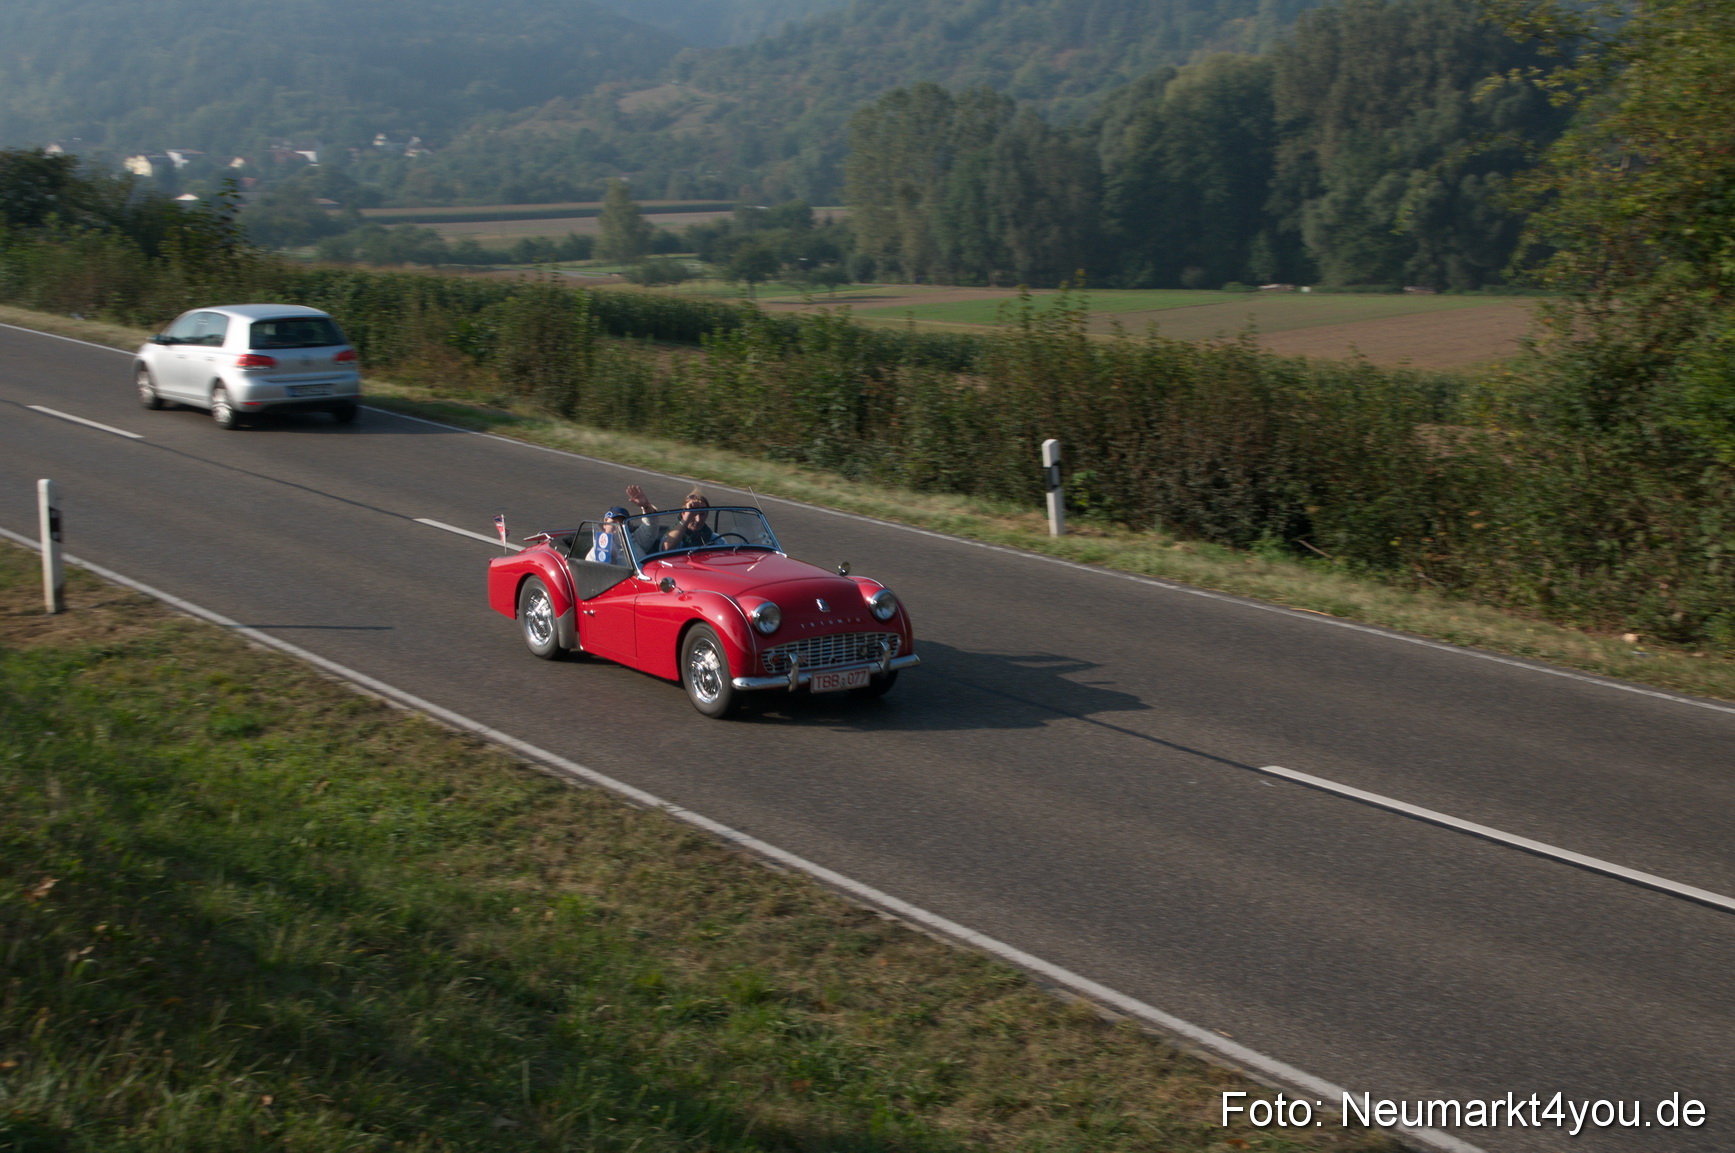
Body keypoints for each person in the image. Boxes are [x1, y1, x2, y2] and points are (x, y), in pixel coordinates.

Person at [625, 484, 723, 553]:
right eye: (693, 515)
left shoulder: (716, 539)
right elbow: (667, 548)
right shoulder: (671, 537)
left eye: (702, 514)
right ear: (684, 513)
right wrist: (687, 518)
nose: (698, 519)